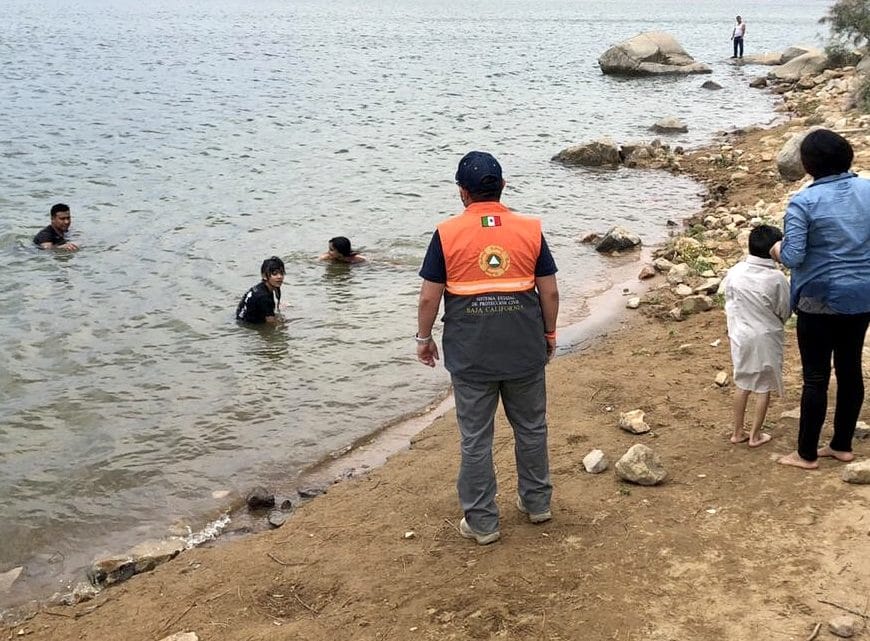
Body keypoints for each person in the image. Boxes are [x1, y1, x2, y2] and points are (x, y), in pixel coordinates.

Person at [416, 150, 560, 545]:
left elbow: (430, 298)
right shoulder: (530, 229)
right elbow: (548, 290)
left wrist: (423, 338)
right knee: (532, 428)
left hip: (471, 354)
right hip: (524, 349)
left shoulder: (446, 233)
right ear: (503, 187)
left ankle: (482, 522)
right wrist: (549, 335)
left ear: (462, 193)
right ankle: (537, 503)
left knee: (476, 438)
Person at [770, 129, 870, 470]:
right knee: (850, 368)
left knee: (816, 376)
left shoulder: (804, 201)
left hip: (819, 297)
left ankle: (806, 454)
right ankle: (841, 445)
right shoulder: (868, 189)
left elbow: (794, 257)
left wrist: (774, 248)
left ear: (809, 165)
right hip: (862, 294)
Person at [720, 225, 791, 448]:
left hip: (740, 334)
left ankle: (737, 431)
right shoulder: (776, 278)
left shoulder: (735, 271)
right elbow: (785, 309)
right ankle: (755, 435)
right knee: (763, 386)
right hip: (765, 337)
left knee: (742, 382)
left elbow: (729, 302)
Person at [236, 256, 285, 325]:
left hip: (241, 317)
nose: (279, 277)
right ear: (264, 276)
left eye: (281, 273)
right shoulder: (263, 297)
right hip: (248, 325)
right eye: (274, 273)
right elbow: (271, 323)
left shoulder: (263, 287)